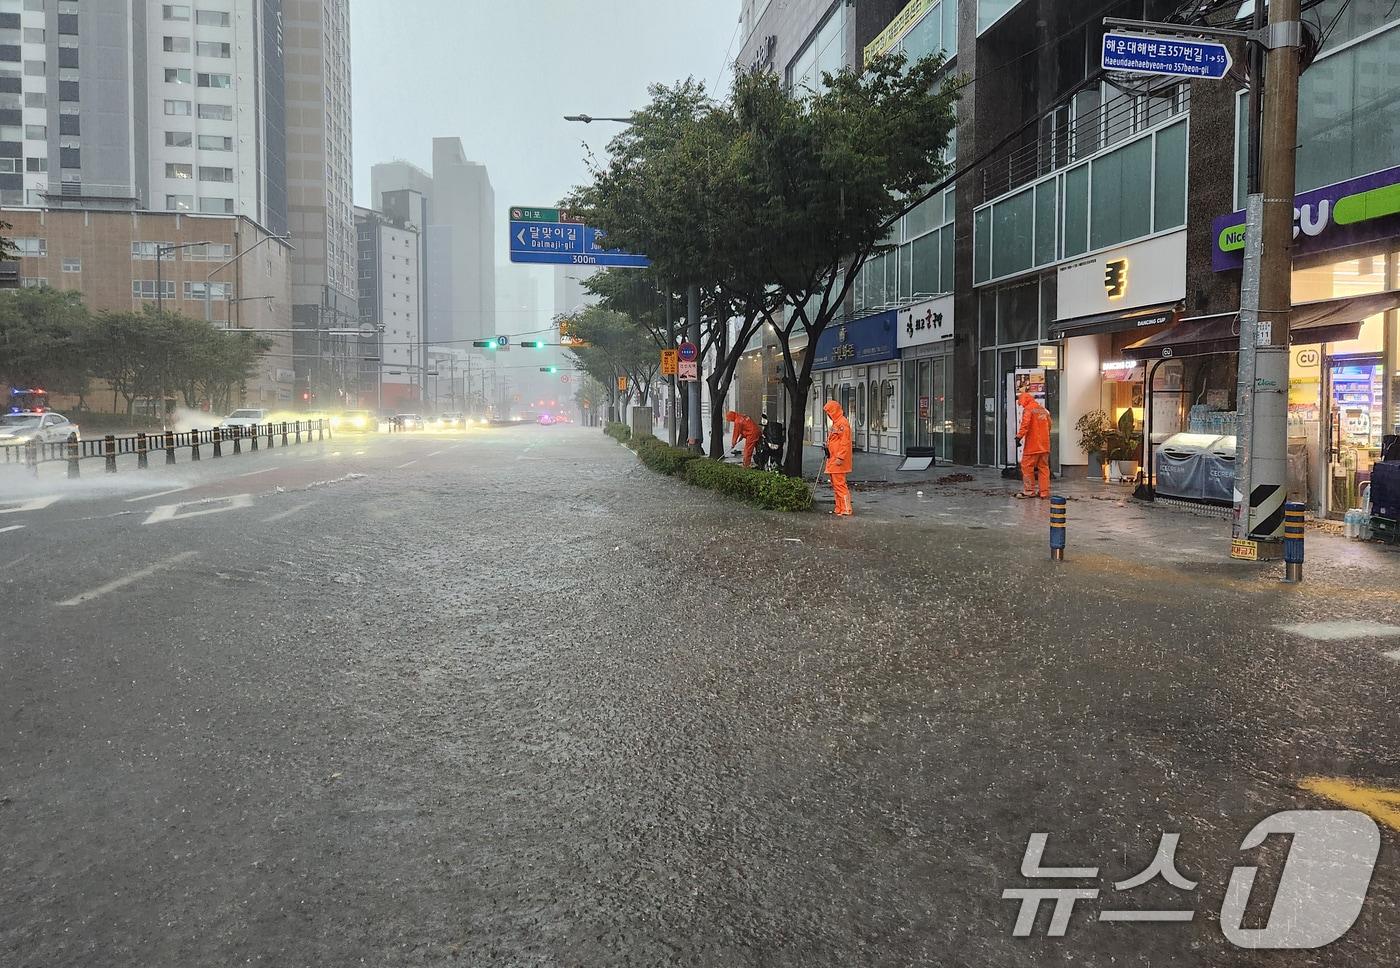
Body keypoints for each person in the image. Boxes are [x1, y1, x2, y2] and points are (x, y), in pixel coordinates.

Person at [1015, 390, 1052, 499]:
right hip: (1045, 446)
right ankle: (1044, 492)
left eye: (1021, 403)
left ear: (1024, 400)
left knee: (1027, 467)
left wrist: (1018, 437)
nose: (1021, 406)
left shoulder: (1028, 409)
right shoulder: (1043, 410)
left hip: (1032, 446)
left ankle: (1029, 491)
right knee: (1044, 468)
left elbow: (1025, 424)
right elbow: (1049, 425)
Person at [823, 399, 853, 516]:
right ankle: (839, 507)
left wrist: (840, 457)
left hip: (837, 460)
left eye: (829, 412)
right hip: (834, 459)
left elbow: (845, 442)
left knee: (840, 485)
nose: (828, 415)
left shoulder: (842, 423)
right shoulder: (837, 423)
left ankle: (846, 508)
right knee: (836, 485)